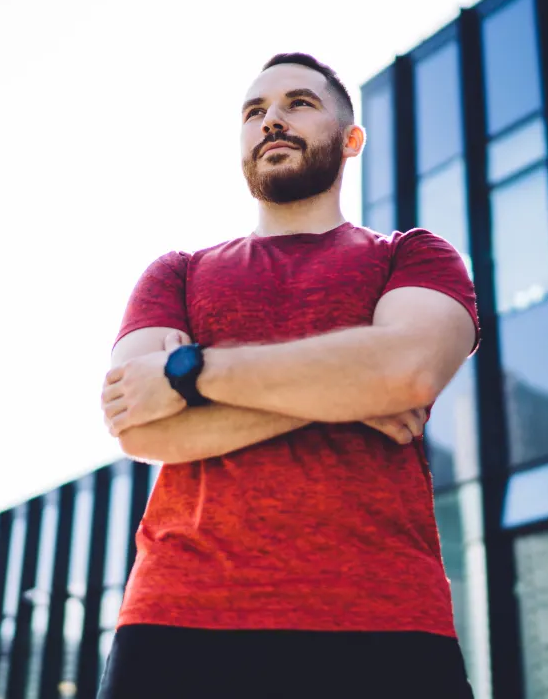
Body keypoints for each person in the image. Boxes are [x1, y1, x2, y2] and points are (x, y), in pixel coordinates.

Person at [98, 53, 480, 699]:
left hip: (383, 621)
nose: (272, 120)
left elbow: (408, 370)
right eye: (255, 112)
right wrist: (352, 386)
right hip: (177, 623)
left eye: (298, 103)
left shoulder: (413, 256)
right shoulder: (177, 274)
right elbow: (138, 426)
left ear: (351, 138)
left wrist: (191, 373)